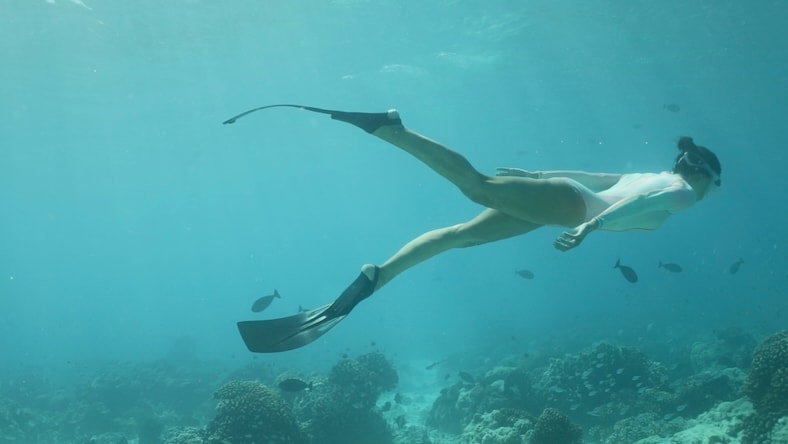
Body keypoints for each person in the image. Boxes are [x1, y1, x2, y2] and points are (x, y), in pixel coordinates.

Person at [226, 105, 722, 352]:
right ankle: (393, 128)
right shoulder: (681, 193)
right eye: (715, 185)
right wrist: (591, 228)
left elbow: (604, 177)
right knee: (478, 186)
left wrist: (539, 175)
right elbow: (629, 203)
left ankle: (376, 277)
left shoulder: (661, 173)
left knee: (460, 235)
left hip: (564, 198)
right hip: (573, 206)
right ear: (708, 177)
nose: (712, 192)